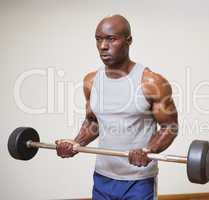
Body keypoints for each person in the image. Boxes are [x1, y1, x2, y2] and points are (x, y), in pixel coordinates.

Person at [55, 14, 178, 200]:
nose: (103, 46)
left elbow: (170, 126)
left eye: (111, 39)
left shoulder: (152, 82)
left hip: (139, 180)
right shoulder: (91, 81)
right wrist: (76, 142)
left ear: (129, 41)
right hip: (103, 176)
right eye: (99, 39)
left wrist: (149, 150)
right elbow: (93, 122)